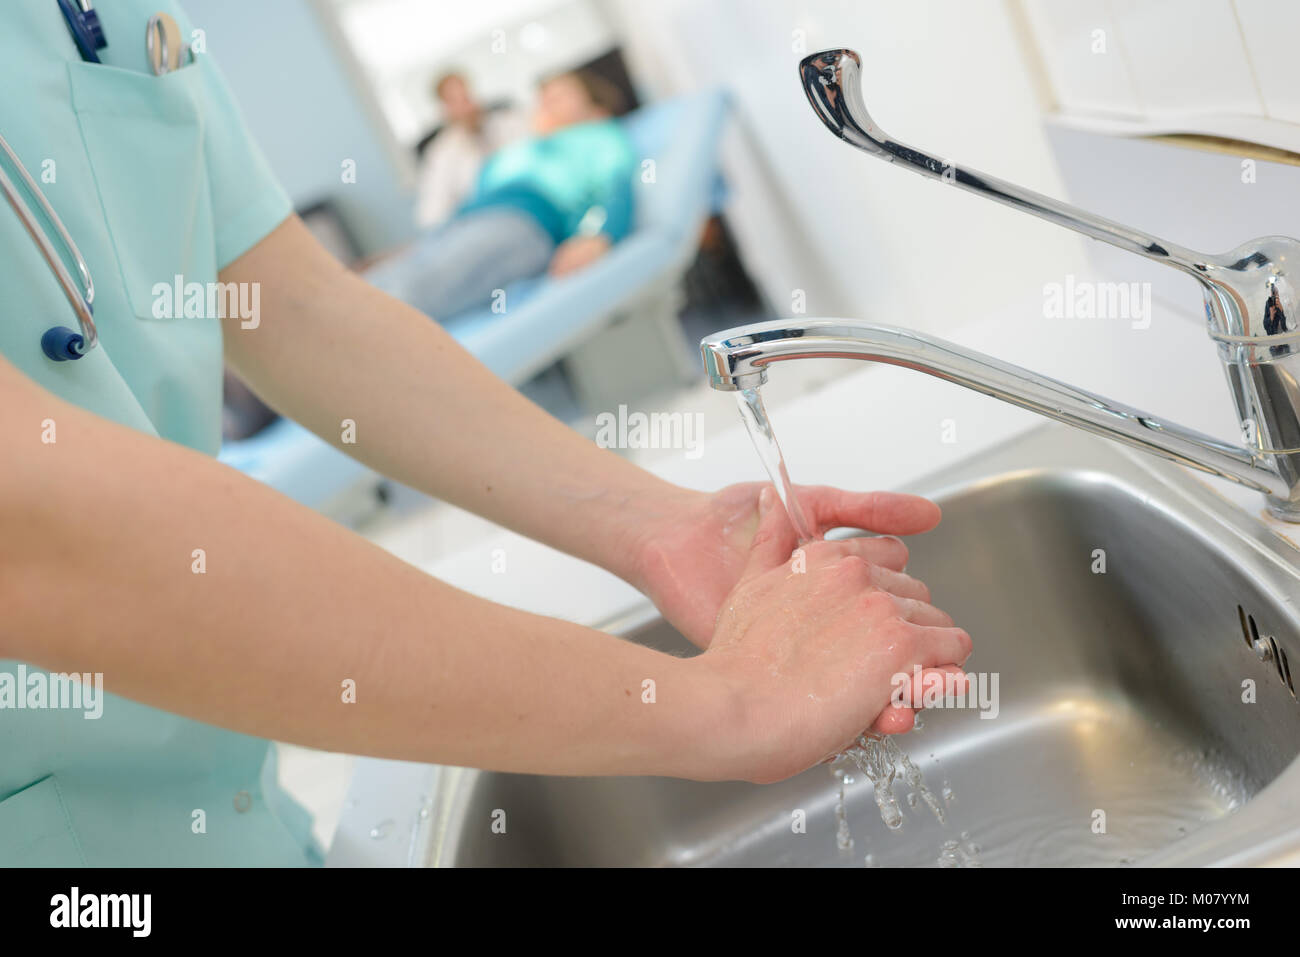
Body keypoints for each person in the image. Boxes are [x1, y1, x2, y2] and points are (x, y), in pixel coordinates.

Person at [0, 0, 970, 866]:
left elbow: (291, 303)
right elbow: (31, 523)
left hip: (227, 814)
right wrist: (730, 704)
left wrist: (665, 527)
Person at [369, 69, 638, 319]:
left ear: (597, 111)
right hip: (464, 224)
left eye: (560, 95)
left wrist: (597, 236)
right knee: (376, 282)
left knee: (408, 292)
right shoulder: (518, 151)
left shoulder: (599, 135)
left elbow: (616, 187)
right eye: (543, 96)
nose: (545, 100)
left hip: (522, 223)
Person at [413, 71, 527, 230]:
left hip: (525, 205)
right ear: (444, 109)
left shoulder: (509, 122)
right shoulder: (441, 153)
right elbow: (430, 215)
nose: (465, 107)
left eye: (466, 97)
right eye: (454, 101)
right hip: (483, 221)